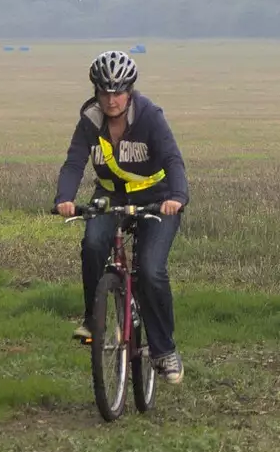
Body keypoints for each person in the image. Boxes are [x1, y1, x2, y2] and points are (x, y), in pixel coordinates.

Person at [54, 50, 188, 384]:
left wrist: (177, 197)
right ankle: (92, 318)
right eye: (104, 91)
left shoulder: (150, 117)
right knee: (93, 242)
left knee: (152, 270)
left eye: (118, 91)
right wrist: (65, 198)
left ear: (130, 90)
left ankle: (164, 350)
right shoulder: (90, 120)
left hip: (156, 199)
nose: (111, 99)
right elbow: (74, 163)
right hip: (111, 195)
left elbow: (172, 159)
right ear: (96, 91)